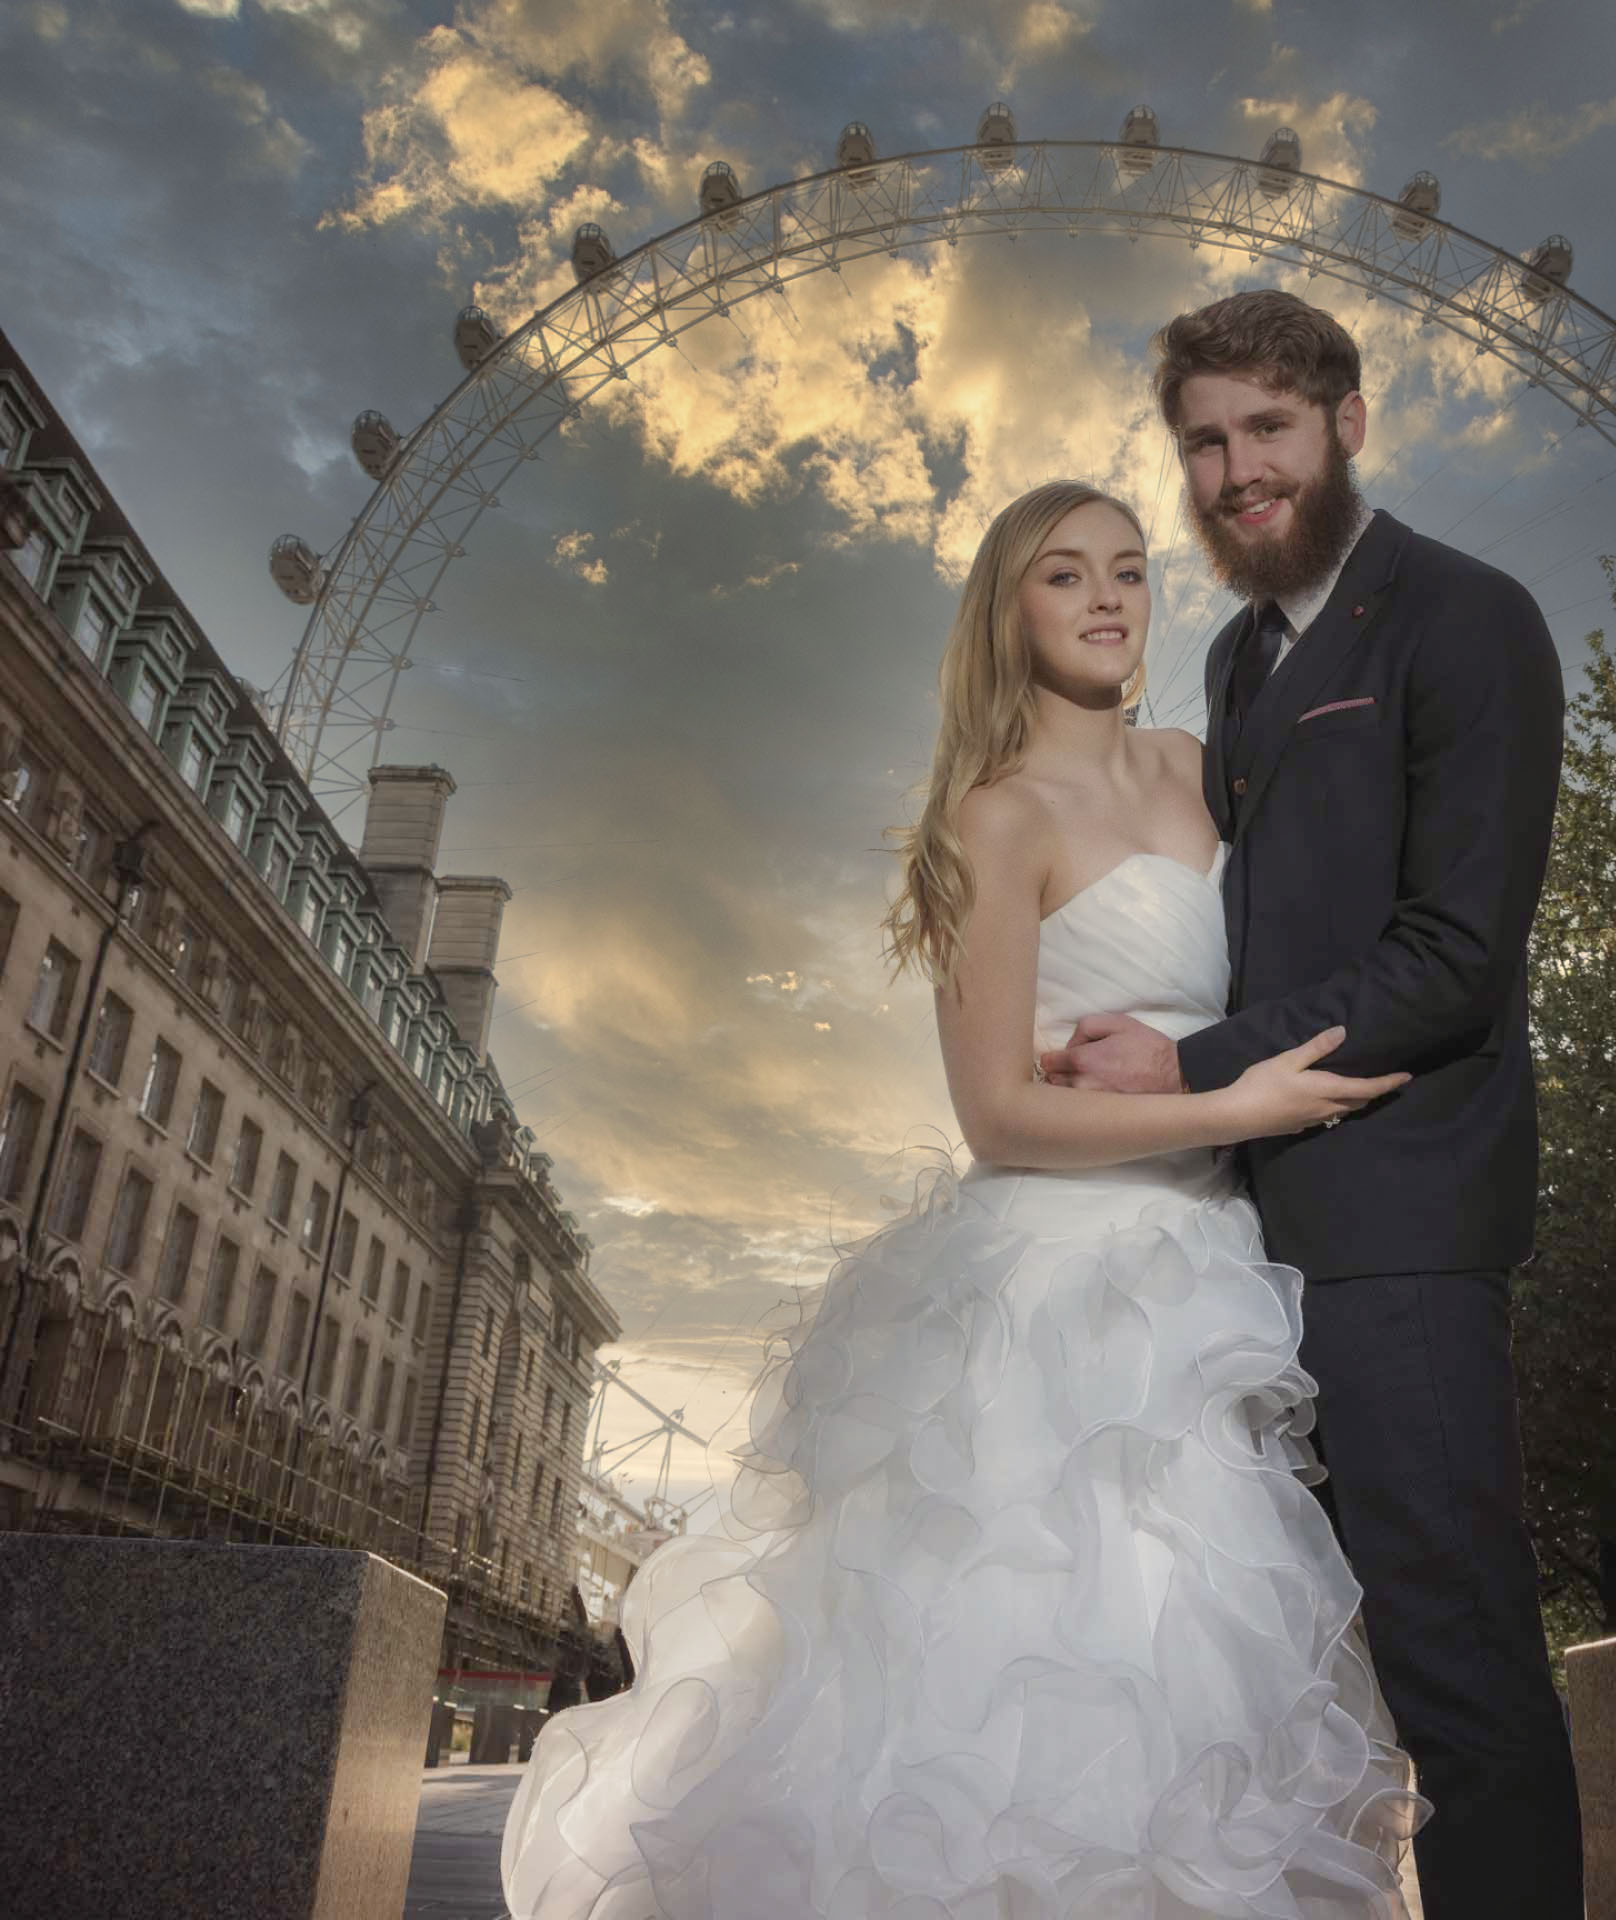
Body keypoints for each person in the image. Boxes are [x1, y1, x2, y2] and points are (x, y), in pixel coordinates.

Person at [500, 479, 1428, 1919]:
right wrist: (1236, 1106)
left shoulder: (1204, 767)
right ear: (1009, 610)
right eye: (1066, 574)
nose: (1110, 597)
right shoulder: (994, 821)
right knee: (1010, 1689)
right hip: (1057, 1294)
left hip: (1210, 1280)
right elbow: (996, 1110)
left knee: (1192, 1679)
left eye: (1129, 569)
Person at [1038, 291, 1586, 1920]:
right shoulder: (1236, 651)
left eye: (1266, 429)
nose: (1232, 472)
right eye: (1203, 442)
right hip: (1234, 1242)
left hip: (1401, 1225)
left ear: (1348, 420)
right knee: (1279, 1681)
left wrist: (1189, 1066)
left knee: (1456, 1664)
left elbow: (1452, 962)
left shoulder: (1467, 616)